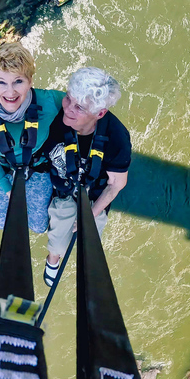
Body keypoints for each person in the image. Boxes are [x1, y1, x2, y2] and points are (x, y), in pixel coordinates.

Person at [42, 67, 131, 285]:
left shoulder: (117, 138)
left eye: (79, 107)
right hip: (63, 188)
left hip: (94, 195)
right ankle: (53, 259)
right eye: (68, 99)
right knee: (58, 241)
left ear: (99, 113)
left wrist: (90, 215)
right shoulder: (53, 117)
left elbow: (116, 184)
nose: (68, 109)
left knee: (87, 242)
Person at [0, 42, 65, 233]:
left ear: (30, 81)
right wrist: (6, 188)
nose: (10, 92)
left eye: (18, 81)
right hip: (5, 170)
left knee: (39, 227)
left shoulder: (50, 102)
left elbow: (84, 108)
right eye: (2, 83)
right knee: (1, 222)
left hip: (39, 168)